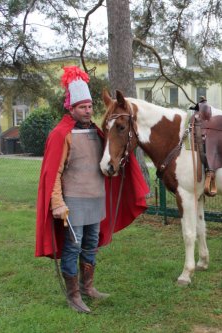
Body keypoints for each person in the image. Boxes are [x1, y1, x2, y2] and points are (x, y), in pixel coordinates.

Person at [35, 66, 148, 313]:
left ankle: (88, 287)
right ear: (71, 108)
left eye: (89, 107)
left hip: (96, 199)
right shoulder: (60, 134)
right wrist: (57, 202)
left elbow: (112, 155)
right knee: (72, 247)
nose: (87, 111)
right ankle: (73, 295)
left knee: (90, 245)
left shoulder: (96, 132)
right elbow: (53, 172)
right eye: (82, 107)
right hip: (73, 201)